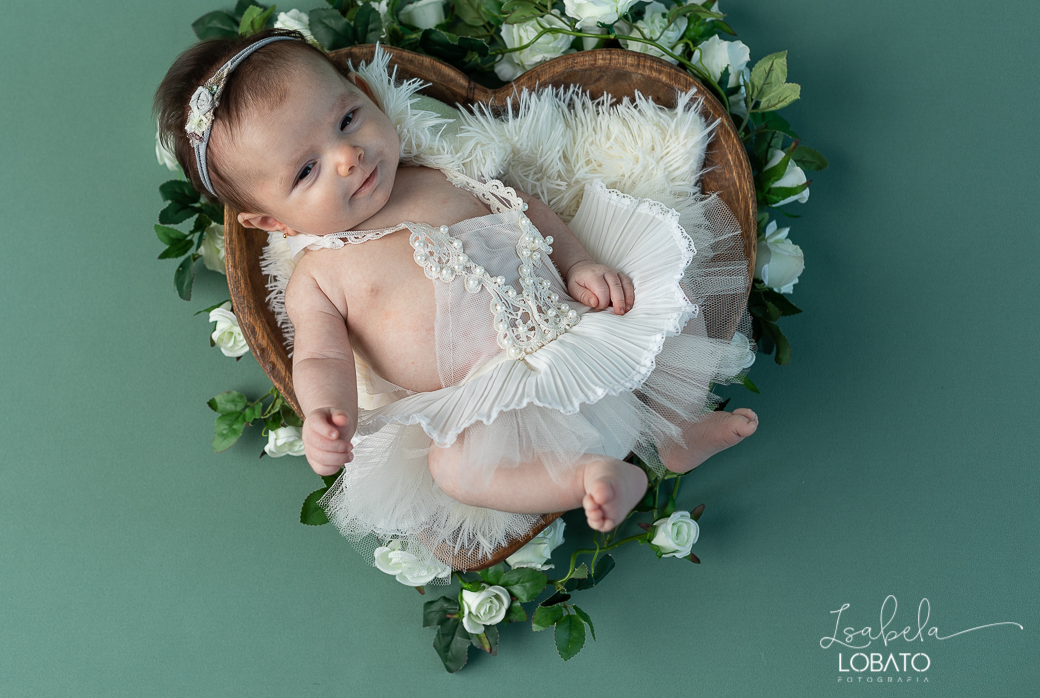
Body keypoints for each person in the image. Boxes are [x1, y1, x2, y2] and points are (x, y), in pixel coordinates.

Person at [154, 28, 758, 572]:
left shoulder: (437, 171)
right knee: (454, 469)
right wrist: (325, 415)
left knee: (658, 298)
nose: (346, 157)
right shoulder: (315, 277)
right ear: (272, 222)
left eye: (347, 120)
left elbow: (526, 211)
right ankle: (588, 477)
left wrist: (578, 263)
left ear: (366, 92)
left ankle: (679, 433)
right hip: (485, 404)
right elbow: (320, 357)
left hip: (571, 328)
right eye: (306, 171)